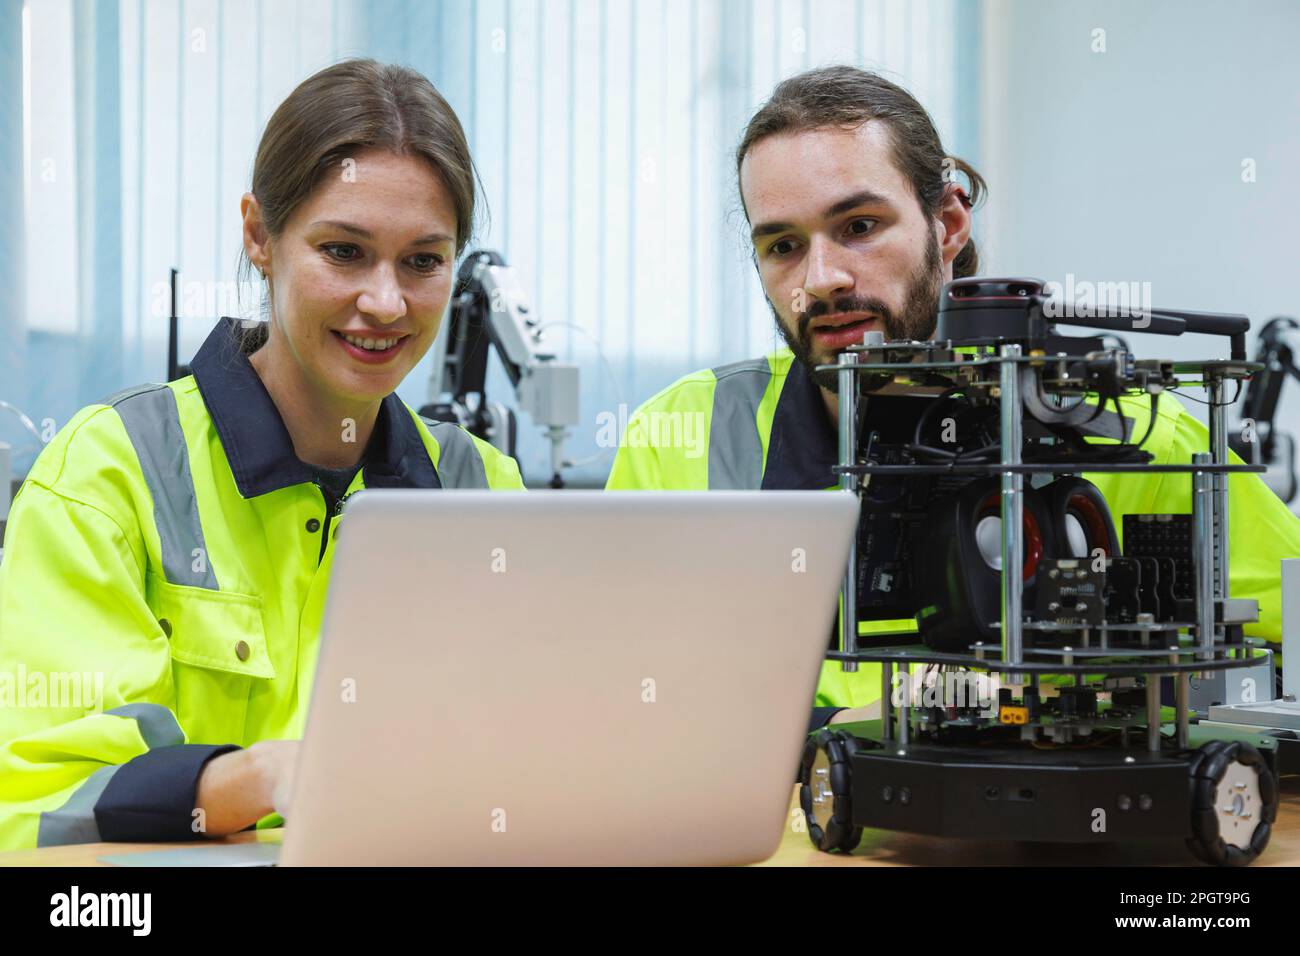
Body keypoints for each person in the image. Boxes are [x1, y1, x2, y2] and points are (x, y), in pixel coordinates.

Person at [606, 65, 1300, 730]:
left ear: (948, 224)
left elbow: (1280, 651)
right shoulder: (681, 437)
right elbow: (619, 690)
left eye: (859, 227)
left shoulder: (1137, 436)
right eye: (784, 245)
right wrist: (843, 732)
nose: (821, 279)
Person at [0, 59, 523, 850]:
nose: (386, 302)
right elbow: (37, 800)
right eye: (344, 252)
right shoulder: (106, 476)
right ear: (258, 236)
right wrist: (259, 780)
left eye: (422, 261)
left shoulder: (484, 492)